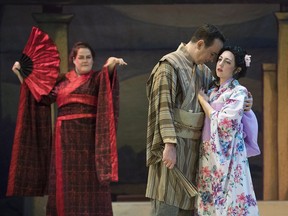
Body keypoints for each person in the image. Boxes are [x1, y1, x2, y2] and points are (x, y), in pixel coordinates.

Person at [8, 41, 127, 216]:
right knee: (65, 184)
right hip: (64, 141)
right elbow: (38, 95)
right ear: (74, 59)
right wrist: (21, 73)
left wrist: (112, 61)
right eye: (81, 57)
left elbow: (107, 70)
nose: (85, 60)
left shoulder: (97, 78)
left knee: (91, 183)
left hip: (89, 143)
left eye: (89, 57)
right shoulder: (62, 80)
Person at [145, 24, 226, 216]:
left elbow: (220, 99)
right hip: (172, 148)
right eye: (212, 54)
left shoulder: (204, 72)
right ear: (200, 44)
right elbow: (163, 107)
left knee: (191, 209)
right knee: (167, 204)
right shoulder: (169, 65)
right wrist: (169, 144)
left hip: (195, 151)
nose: (212, 60)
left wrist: (245, 100)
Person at [196, 46, 259, 215]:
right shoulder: (212, 91)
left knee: (231, 198)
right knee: (209, 199)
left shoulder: (239, 92)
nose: (221, 63)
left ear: (237, 69)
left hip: (229, 154)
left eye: (227, 61)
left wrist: (204, 103)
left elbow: (226, 124)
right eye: (220, 59)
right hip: (209, 151)